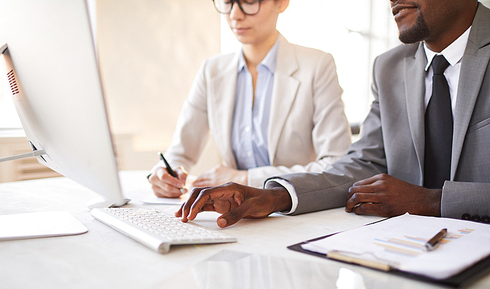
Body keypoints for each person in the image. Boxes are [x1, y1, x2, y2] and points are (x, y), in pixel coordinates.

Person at [177, 0, 490, 228]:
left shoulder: (317, 65)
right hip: (403, 251)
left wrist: (430, 202)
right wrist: (274, 196)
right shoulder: (390, 67)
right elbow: (362, 164)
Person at [148, 0, 351, 198]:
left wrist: (245, 179)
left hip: (291, 211)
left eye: (250, 2)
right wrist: (166, 173)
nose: (235, 14)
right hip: (234, 212)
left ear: (282, 3)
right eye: (228, 2)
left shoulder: (317, 66)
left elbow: (336, 164)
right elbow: (179, 153)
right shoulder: (212, 71)